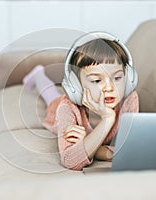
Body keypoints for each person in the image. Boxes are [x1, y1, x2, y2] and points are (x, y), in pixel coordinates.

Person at [23, 32, 139, 170]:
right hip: (57, 108)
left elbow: (127, 148)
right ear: (76, 86)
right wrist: (108, 119)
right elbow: (71, 161)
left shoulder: (129, 100)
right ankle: (38, 75)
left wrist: (87, 144)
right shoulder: (66, 108)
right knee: (51, 95)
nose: (109, 87)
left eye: (117, 78)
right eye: (96, 80)